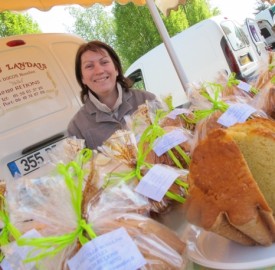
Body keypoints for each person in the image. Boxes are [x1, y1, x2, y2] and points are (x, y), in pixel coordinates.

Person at [67, 40, 157, 150]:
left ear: (116, 69)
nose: (99, 71)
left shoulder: (147, 100)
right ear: (82, 78)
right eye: (89, 66)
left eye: (104, 62)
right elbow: (79, 166)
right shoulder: (77, 128)